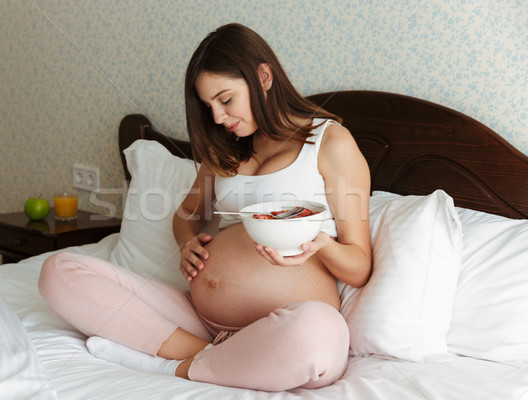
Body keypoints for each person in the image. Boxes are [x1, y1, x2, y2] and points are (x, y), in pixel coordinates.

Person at [38, 23, 371, 392]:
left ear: (263, 76)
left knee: (318, 336)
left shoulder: (329, 143)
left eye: (225, 100)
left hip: (288, 324)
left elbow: (359, 266)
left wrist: (319, 244)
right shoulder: (225, 150)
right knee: (59, 271)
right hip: (200, 320)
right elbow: (187, 214)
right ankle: (205, 354)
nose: (216, 118)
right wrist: (186, 242)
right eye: (208, 105)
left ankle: (173, 367)